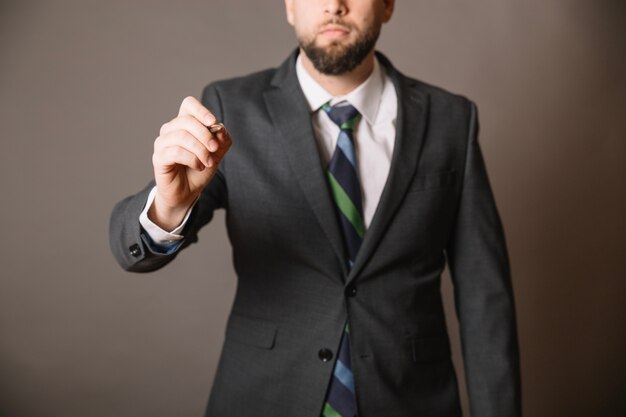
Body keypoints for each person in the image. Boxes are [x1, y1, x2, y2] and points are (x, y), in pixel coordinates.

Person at [109, 0, 521, 416]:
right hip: (265, 397)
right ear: (289, 7)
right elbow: (132, 251)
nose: (333, 5)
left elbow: (485, 298)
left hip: (410, 399)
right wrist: (169, 204)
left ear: (388, 6)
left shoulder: (451, 119)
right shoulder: (232, 108)